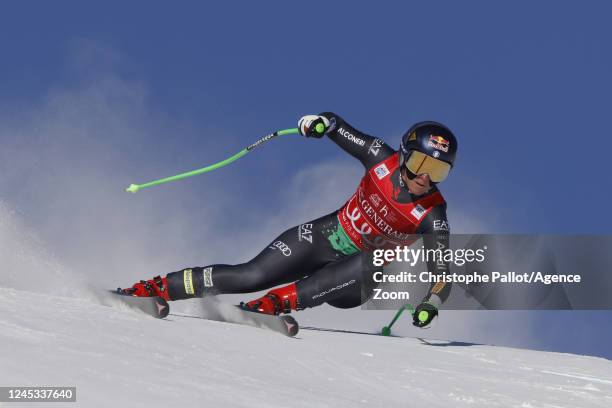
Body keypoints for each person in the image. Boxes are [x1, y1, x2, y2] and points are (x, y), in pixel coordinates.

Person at [121, 112, 457, 328]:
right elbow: (335, 124)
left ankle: (277, 303)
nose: (425, 179)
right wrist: (317, 124)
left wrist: (431, 303)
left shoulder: (432, 213)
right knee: (249, 274)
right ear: (403, 153)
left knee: (375, 260)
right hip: (323, 238)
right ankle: (153, 287)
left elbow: (443, 275)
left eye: (438, 171)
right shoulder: (379, 156)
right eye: (420, 164)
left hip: (353, 282)